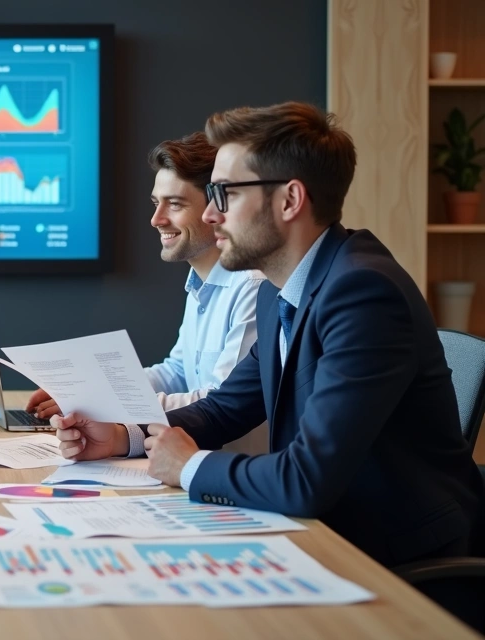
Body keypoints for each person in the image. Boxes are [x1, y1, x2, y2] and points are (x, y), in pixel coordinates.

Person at [53, 102, 484, 568]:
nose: (211, 215)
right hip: (325, 535)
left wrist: (190, 466)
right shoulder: (283, 289)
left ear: (290, 200)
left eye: (225, 194)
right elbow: (225, 408)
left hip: (395, 562)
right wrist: (123, 438)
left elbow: (306, 478)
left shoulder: (363, 294)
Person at [27, 132, 264, 417]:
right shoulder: (200, 283)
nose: (156, 219)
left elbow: (220, 401)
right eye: (156, 203)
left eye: (175, 204)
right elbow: (177, 372)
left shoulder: (253, 287)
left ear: (218, 207)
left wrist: (102, 404)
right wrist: (85, 391)